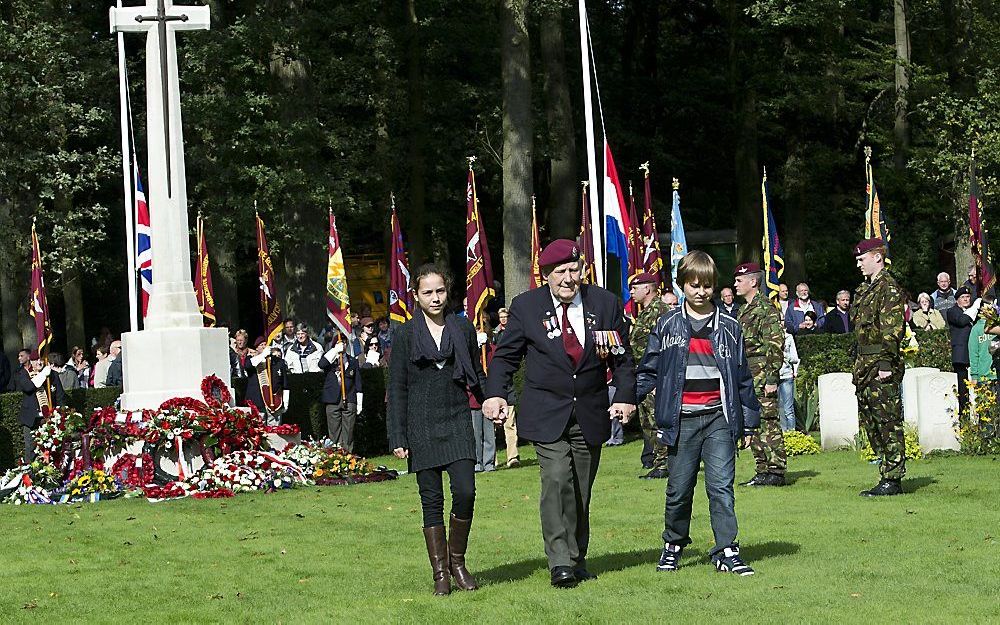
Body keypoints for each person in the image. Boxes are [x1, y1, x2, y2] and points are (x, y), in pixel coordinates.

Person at [482, 239, 636, 588]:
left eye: (574, 269)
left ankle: (577, 557)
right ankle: (559, 561)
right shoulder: (526, 307)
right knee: (555, 480)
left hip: (591, 410)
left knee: (581, 489)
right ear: (546, 275)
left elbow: (623, 359)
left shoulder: (605, 304)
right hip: (546, 410)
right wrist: (494, 394)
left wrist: (626, 396)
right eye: (560, 271)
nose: (569, 278)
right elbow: (505, 358)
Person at [635, 251, 760, 576]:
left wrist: (747, 424)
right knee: (679, 489)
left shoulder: (731, 327)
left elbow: (742, 378)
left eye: (707, 285)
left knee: (721, 487)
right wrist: (629, 398)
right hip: (681, 420)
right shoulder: (666, 324)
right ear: (681, 286)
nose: (701, 292)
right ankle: (673, 545)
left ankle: (727, 550)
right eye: (694, 285)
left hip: (719, 420)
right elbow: (648, 368)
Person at [388, 264, 487, 596]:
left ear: (448, 291)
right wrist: (398, 436)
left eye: (440, 291)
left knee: (466, 492)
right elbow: (397, 388)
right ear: (416, 296)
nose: (435, 297)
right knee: (431, 500)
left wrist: (494, 400)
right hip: (420, 424)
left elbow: (476, 373)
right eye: (428, 292)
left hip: (457, 418)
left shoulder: (463, 328)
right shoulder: (404, 334)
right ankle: (441, 573)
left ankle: (458, 562)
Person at [852, 238, 908, 496]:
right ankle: (886, 470)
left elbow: (893, 327)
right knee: (871, 419)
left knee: (887, 419)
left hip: (880, 363)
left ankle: (893, 477)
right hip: (864, 364)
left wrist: (886, 361)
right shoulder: (865, 289)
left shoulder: (889, 288)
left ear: (877, 257)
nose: (858, 263)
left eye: (862, 259)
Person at [733, 263, 787, 487]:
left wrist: (772, 379)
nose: (735, 284)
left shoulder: (765, 308)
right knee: (752, 421)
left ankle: (776, 470)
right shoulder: (744, 310)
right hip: (747, 374)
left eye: (739, 280)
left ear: (753, 282)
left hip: (762, 372)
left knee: (768, 422)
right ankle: (762, 468)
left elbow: (774, 344)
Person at [628, 272, 669, 479]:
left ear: (647, 288)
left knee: (658, 420)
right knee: (648, 422)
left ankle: (664, 464)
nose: (631, 292)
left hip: (656, 376)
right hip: (643, 375)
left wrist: (660, 379)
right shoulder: (645, 313)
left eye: (635, 288)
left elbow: (666, 347)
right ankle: (657, 461)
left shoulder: (660, 311)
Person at [14, 352, 66, 462]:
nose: (39, 363)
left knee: (52, 449)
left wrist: (61, 414)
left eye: (41, 360)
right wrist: (42, 375)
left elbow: (59, 396)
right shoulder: (22, 373)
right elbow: (28, 387)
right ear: (30, 362)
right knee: (31, 450)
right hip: (31, 419)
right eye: (35, 360)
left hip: (49, 418)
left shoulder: (52, 375)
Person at [318, 336, 362, 451]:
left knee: (349, 432)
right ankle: (336, 458)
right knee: (334, 431)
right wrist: (334, 351)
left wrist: (359, 402)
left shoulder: (352, 361)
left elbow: (358, 383)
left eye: (344, 342)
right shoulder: (330, 360)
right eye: (339, 343)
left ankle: (348, 456)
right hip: (332, 400)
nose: (342, 345)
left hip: (349, 399)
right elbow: (321, 364)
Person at [491, 308, 520, 468]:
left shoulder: (512, 334)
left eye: (505, 317)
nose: (503, 320)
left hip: (508, 389)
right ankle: (491, 459)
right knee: (491, 429)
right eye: (500, 317)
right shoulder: (494, 336)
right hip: (494, 390)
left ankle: (512, 457)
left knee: (510, 425)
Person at [946, 286, 979, 417]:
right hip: (961, 355)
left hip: (975, 353)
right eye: (963, 298)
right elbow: (962, 321)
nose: (966, 299)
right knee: (963, 389)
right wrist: (975, 307)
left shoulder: (974, 312)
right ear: (957, 300)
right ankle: (964, 418)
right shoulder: (952, 311)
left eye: (968, 297)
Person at [245, 337, 290, 424]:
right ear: (256, 348)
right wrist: (262, 355)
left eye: (265, 344)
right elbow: (248, 366)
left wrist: (285, 402)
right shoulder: (252, 359)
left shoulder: (278, 362)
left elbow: (285, 384)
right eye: (261, 345)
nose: (263, 347)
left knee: (274, 431)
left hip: (275, 402)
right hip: (257, 403)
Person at [778, 332, 799, 431]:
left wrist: (785, 356)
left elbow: (795, 358)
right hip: (774, 377)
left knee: (788, 409)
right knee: (778, 409)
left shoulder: (789, 337)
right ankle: (782, 433)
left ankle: (792, 434)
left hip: (787, 375)